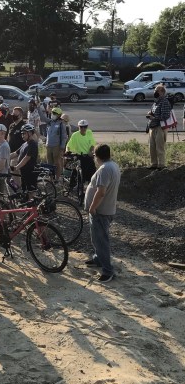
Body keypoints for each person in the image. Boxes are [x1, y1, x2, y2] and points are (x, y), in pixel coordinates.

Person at [84, 144, 121, 283]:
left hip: (101, 211)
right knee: (96, 238)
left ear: (97, 156)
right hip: (106, 209)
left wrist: (92, 207)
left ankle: (108, 271)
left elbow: (101, 192)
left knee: (101, 241)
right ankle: (98, 259)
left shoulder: (104, 169)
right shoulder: (113, 165)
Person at [146, 84, 172, 170]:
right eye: (155, 90)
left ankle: (161, 165)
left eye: (157, 90)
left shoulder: (164, 102)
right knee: (152, 147)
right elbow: (153, 112)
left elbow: (165, 116)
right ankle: (154, 164)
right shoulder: (155, 102)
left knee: (159, 147)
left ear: (162, 92)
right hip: (152, 127)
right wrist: (150, 114)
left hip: (160, 128)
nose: (155, 92)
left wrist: (154, 117)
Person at [65, 119, 96, 190]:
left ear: (87, 127)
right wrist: (67, 151)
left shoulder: (89, 133)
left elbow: (92, 144)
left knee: (92, 169)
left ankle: (92, 184)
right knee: (75, 170)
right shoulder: (75, 135)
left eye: (85, 127)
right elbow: (69, 145)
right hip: (79, 155)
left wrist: (91, 151)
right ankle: (73, 185)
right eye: (81, 127)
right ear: (79, 127)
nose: (83, 128)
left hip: (88, 155)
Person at [12, 124, 39, 192]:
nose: (22, 135)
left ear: (30, 133)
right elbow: (15, 153)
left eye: (24, 133)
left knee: (30, 192)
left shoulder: (32, 144)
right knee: (24, 190)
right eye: (22, 134)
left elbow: (27, 158)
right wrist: (4, 157)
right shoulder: (24, 144)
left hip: (30, 172)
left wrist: (17, 167)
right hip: (23, 171)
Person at [45, 107, 69, 177]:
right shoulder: (50, 122)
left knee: (57, 163)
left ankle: (57, 178)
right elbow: (43, 117)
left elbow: (64, 137)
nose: (53, 114)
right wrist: (38, 107)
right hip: (48, 146)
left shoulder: (61, 124)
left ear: (59, 115)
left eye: (55, 113)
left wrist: (62, 148)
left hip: (56, 146)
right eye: (52, 113)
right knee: (49, 163)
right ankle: (51, 178)